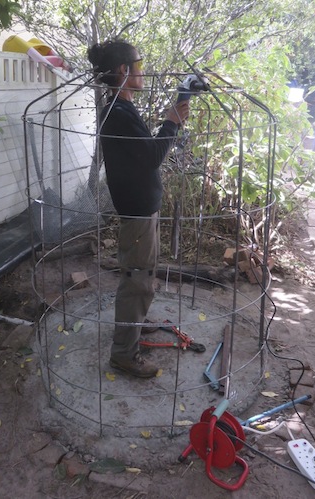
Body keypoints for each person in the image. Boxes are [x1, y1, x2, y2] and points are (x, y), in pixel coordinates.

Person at [88, 39, 190, 378]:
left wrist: (170, 121)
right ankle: (124, 353)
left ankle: (135, 324)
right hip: (136, 213)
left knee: (143, 274)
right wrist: (172, 122)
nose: (143, 70)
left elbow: (142, 153)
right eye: (140, 64)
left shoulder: (120, 106)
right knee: (137, 280)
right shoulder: (117, 112)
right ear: (124, 70)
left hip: (142, 210)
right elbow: (151, 158)